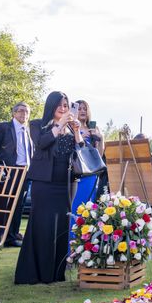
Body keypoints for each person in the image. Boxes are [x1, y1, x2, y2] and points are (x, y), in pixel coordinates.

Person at [15, 91, 84, 285]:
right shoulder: (37, 125)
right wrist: (60, 124)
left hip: (64, 184)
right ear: (51, 106)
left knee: (60, 226)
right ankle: (34, 272)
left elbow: (82, 150)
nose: (63, 109)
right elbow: (41, 143)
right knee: (41, 225)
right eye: (60, 105)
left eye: (66, 105)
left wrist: (77, 131)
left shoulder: (71, 128)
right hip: (43, 183)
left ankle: (55, 273)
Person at [0, 102, 34, 246]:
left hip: (24, 172)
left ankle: (11, 236)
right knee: (2, 204)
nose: (24, 114)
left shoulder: (29, 130)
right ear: (14, 113)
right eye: (21, 111)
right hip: (7, 171)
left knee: (18, 206)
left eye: (27, 112)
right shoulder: (3, 127)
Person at [69, 100, 103, 234]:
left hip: (90, 175)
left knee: (88, 208)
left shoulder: (95, 129)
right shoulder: (70, 127)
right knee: (75, 207)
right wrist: (81, 137)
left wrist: (100, 138)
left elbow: (99, 155)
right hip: (75, 173)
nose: (82, 111)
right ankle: (70, 243)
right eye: (79, 109)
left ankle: (85, 244)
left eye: (85, 109)